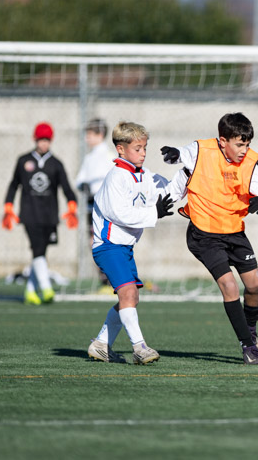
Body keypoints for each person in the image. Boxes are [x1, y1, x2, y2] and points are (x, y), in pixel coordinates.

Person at [160, 112, 258, 365]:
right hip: (205, 234)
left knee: (255, 285)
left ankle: (250, 329)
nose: (244, 150)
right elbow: (184, 153)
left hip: (234, 231)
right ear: (223, 141)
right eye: (239, 144)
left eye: (247, 144)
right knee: (229, 286)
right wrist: (175, 154)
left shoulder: (249, 162)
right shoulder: (203, 151)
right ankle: (248, 347)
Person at [86, 121, 187, 365]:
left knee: (130, 298)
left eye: (144, 148)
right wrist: (154, 213)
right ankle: (140, 348)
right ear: (121, 149)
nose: (143, 153)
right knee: (129, 294)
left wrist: (188, 170)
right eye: (137, 148)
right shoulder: (116, 177)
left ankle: (100, 344)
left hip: (124, 247)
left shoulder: (144, 176)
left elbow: (170, 192)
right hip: (108, 246)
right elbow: (120, 214)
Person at [3, 122, 78, 305]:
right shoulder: (23, 161)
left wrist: (72, 205)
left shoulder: (56, 164)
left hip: (49, 216)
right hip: (29, 214)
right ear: (34, 139)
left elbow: (66, 187)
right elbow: (14, 184)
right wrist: (8, 206)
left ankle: (30, 291)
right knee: (37, 249)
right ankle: (46, 288)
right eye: (41, 139)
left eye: (47, 140)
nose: (43, 143)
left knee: (41, 252)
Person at [75, 118, 115, 285]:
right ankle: (104, 278)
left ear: (100, 134)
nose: (87, 138)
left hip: (105, 206)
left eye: (90, 134)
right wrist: (83, 185)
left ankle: (112, 279)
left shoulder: (109, 156)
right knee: (93, 242)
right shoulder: (89, 157)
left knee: (107, 241)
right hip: (91, 206)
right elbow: (80, 179)